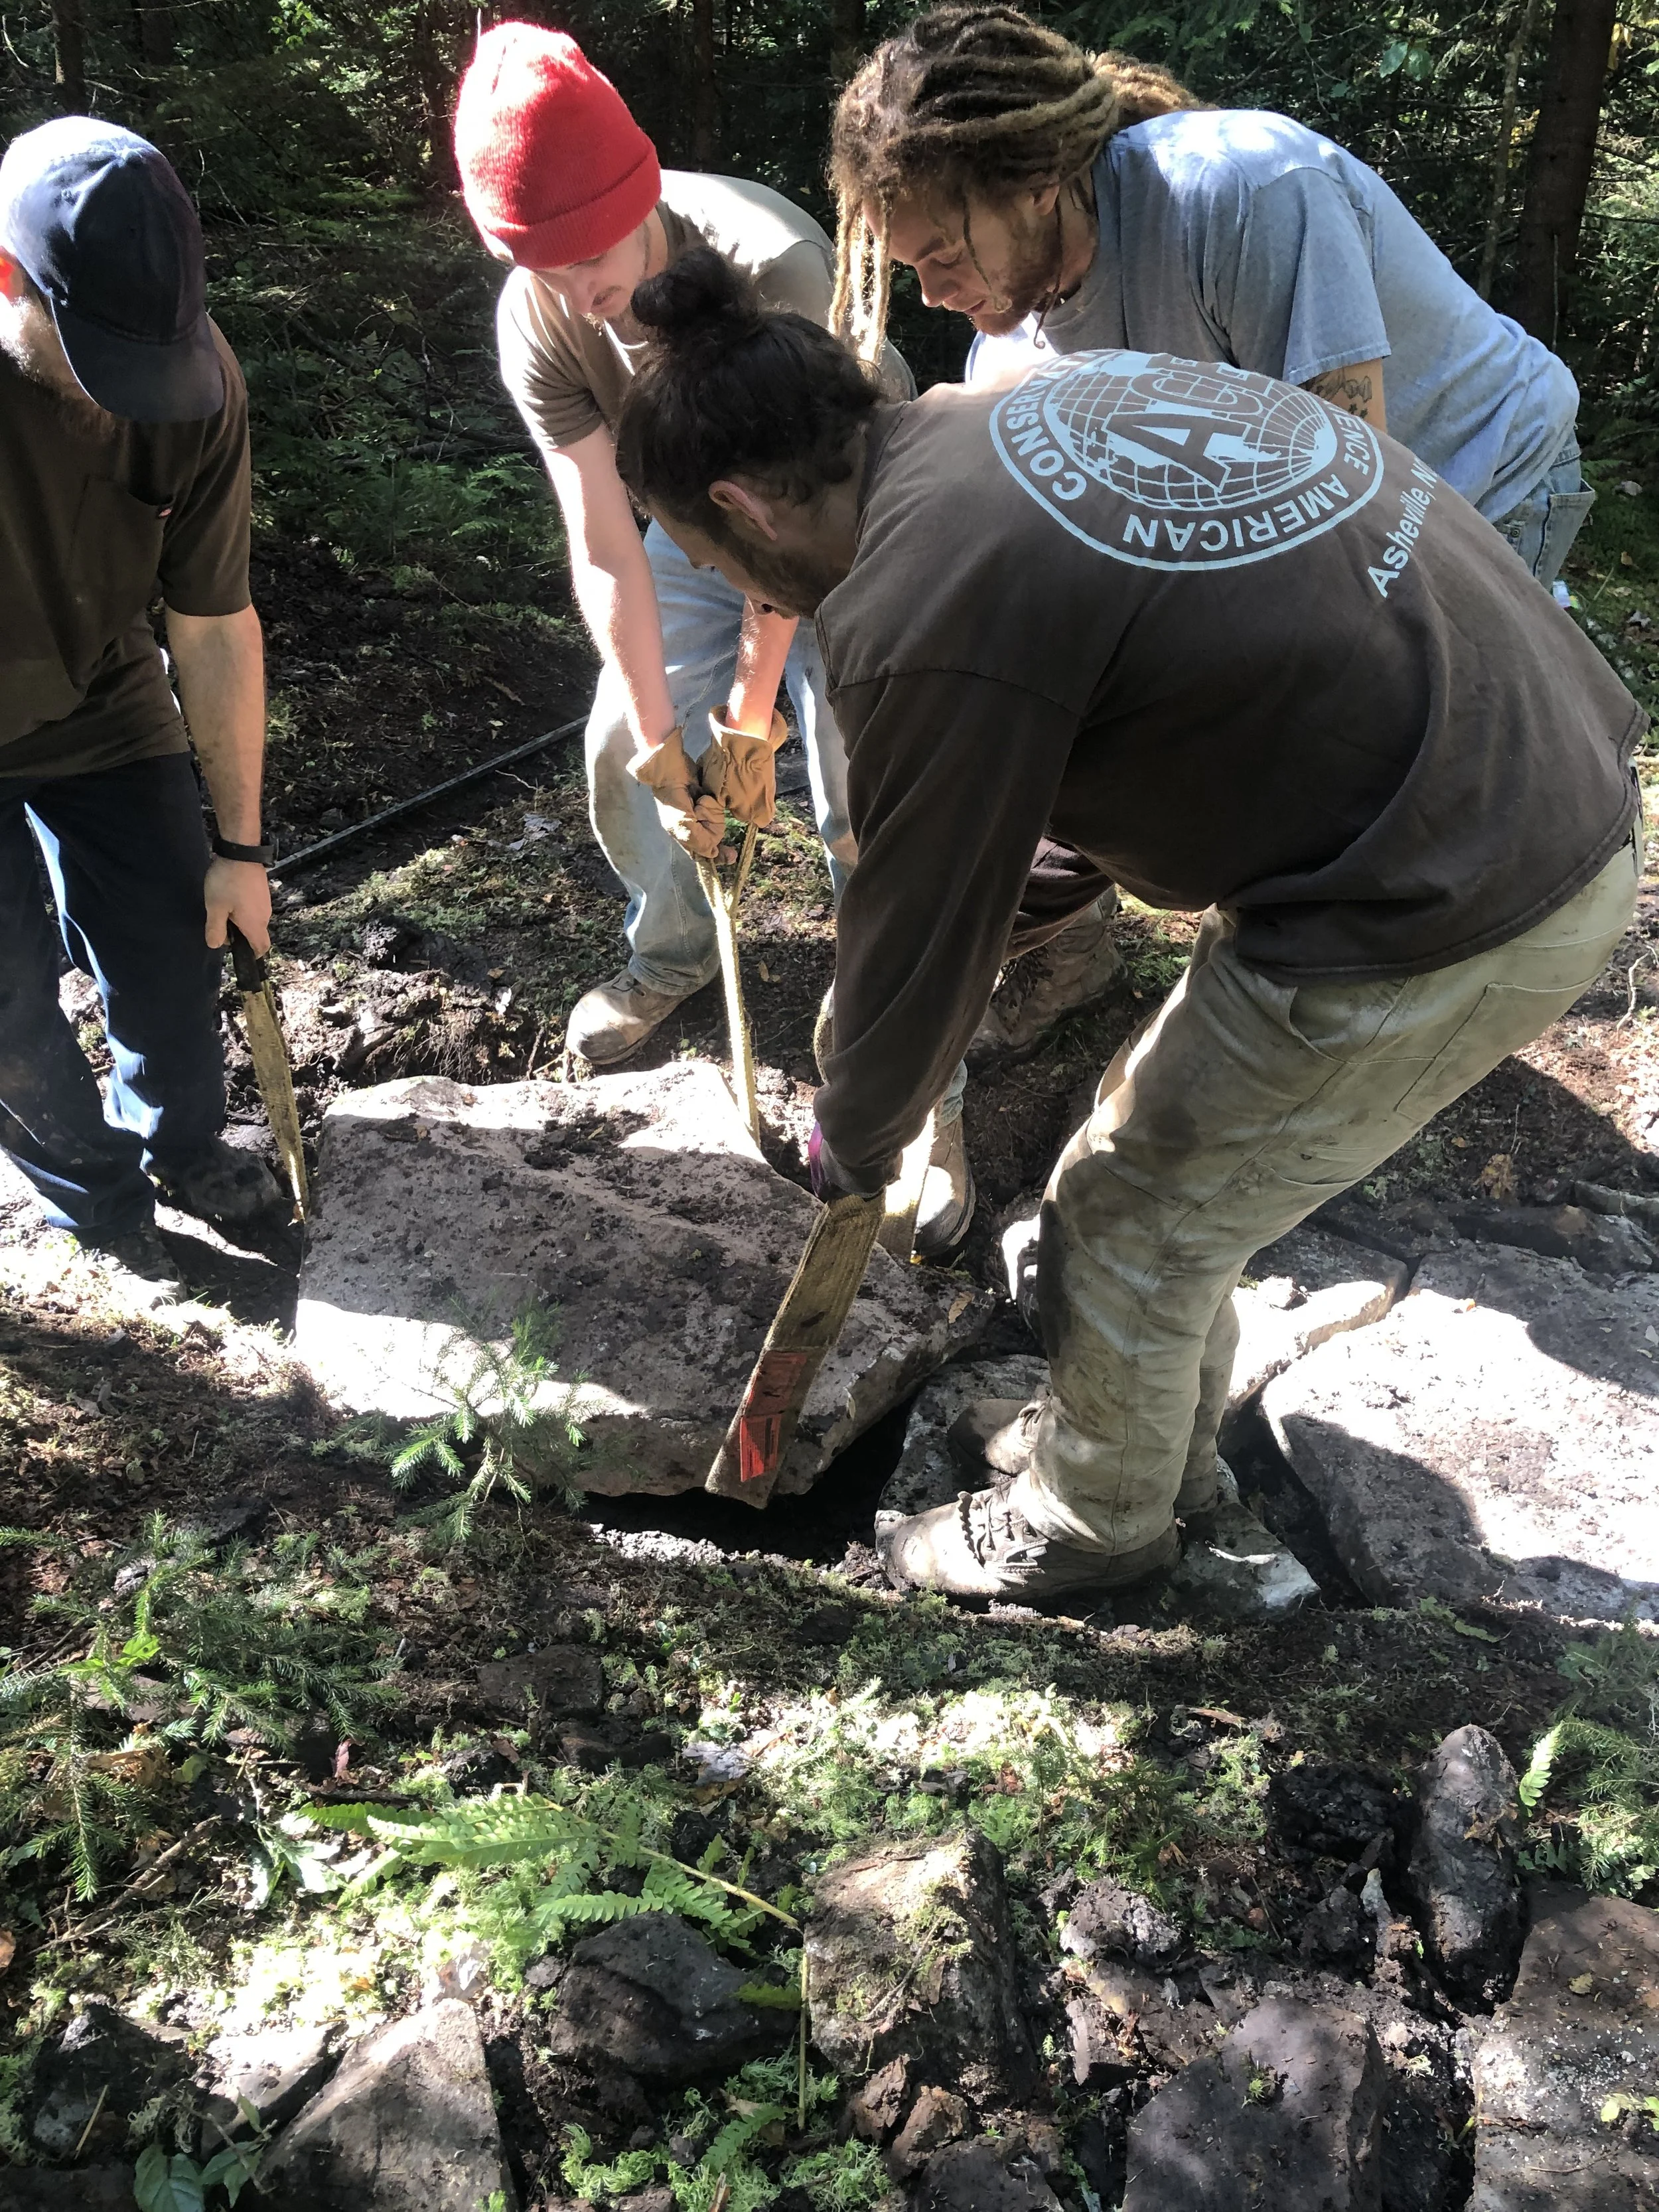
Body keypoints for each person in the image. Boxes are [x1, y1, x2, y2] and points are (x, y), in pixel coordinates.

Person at [611, 249, 1643, 1601]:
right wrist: (990, 932)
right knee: (1155, 1175)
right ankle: (1137, 1447)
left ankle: (1090, 1527)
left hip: (1445, 892)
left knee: (1127, 1217)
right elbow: (1084, 734)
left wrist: (854, 1137)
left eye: (705, 553)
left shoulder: (914, 603)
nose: (733, 583)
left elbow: (912, 924)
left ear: (740, 503)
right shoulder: (1036, 407)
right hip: (1529, 764)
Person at [830, 5, 1598, 1063]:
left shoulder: (1243, 192)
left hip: (1475, 473)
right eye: (907, 264)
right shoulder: (1015, 354)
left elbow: (1353, 521)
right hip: (1320, 506)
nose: (933, 292)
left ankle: (1400, 1011)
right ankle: (1100, 961)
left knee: (1385, 757)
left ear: (1034, 183)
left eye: (946, 251)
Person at [453, 24, 978, 1256]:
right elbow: (605, 538)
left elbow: (794, 530)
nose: (580, 289)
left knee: (872, 809)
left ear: (640, 197)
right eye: (541, 263)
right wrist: (662, 746)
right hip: (700, 524)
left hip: (851, 516)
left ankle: (926, 1098)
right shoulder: (539, 316)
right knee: (619, 755)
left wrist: (754, 727)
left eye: (591, 253)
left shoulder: (773, 264)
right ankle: (676, 951)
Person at [0, 117, 283, 1304]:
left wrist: (239, 848)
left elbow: (212, 626)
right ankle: (99, 1203)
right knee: (7, 1000)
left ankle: (181, 1145)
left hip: (100, 694)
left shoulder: (195, 385)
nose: (130, 398)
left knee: (179, 929)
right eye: (94, 356)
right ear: (8, 279)